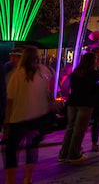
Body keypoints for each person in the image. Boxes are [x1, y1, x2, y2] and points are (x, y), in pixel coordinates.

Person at [3, 46, 53, 183]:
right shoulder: (44, 71)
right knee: (32, 148)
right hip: (38, 117)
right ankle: (28, 178)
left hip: (19, 118)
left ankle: (10, 180)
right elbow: (49, 92)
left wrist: (7, 122)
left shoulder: (18, 74)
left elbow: (10, 100)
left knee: (11, 150)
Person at [58, 52, 99, 163]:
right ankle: (74, 154)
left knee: (70, 128)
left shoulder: (76, 72)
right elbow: (95, 89)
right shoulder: (94, 74)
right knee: (79, 129)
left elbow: (70, 86)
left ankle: (63, 153)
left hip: (73, 102)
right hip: (85, 103)